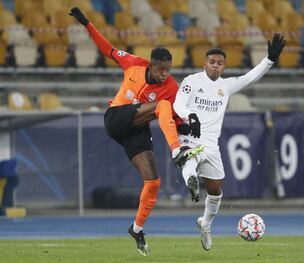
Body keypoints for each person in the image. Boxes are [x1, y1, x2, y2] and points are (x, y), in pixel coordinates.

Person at [69, 7, 203, 256]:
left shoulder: (171, 88)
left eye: (169, 69)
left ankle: (137, 228)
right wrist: (87, 24)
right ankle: (176, 152)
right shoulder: (133, 64)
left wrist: (187, 123)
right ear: (151, 65)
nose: (166, 74)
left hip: (136, 128)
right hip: (117, 117)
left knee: (153, 181)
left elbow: (173, 116)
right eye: (161, 69)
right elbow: (107, 48)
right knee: (161, 105)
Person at [173, 33, 286, 251]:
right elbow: (178, 104)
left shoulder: (226, 86)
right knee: (189, 157)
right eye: (212, 62)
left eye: (219, 63)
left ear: (224, 67)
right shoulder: (191, 81)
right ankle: (191, 180)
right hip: (190, 137)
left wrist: (269, 60)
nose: (215, 66)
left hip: (211, 146)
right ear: (204, 63)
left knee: (216, 191)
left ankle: (206, 224)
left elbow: (251, 77)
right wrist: (190, 115)